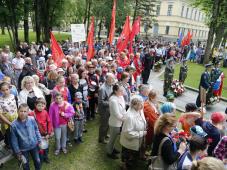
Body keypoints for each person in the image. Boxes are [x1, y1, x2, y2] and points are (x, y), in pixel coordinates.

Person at [11, 104, 42, 170]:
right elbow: (14, 140)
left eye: (25, 111)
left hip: (34, 145)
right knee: (25, 164)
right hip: (23, 148)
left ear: (28, 112)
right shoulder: (14, 125)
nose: (23, 113)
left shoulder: (32, 119)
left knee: (37, 160)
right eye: (21, 111)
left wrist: (39, 141)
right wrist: (17, 152)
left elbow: (36, 130)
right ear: (17, 111)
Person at [120, 97, 147, 169]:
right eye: (140, 104)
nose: (142, 106)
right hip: (130, 143)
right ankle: (126, 166)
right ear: (134, 105)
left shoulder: (139, 110)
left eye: (142, 104)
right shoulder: (130, 116)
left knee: (134, 159)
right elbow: (128, 133)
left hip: (136, 141)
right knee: (129, 159)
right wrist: (141, 133)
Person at [29, 98, 53, 164]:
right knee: (39, 147)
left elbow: (49, 122)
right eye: (39, 105)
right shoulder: (31, 114)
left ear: (45, 106)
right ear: (35, 105)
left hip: (45, 133)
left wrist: (48, 133)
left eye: (42, 106)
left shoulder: (45, 112)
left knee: (46, 146)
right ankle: (40, 158)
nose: (41, 107)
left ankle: (46, 157)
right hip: (36, 134)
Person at [106, 84, 126, 159]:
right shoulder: (113, 100)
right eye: (120, 90)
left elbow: (123, 109)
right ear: (115, 91)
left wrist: (125, 116)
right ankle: (109, 152)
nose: (122, 92)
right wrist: (125, 119)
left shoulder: (120, 97)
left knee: (114, 137)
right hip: (115, 123)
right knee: (112, 138)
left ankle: (112, 148)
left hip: (120, 121)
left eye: (122, 90)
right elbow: (116, 114)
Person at [98, 73, 115, 144]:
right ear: (107, 79)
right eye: (112, 78)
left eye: (113, 78)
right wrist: (111, 103)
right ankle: (101, 139)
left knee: (108, 123)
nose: (113, 80)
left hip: (109, 108)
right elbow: (101, 102)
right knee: (104, 124)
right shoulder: (102, 88)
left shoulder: (111, 85)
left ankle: (105, 135)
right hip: (104, 110)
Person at [0, 82, 18, 148]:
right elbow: (0, 114)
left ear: (9, 89)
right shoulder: (0, 100)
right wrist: (9, 123)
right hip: (7, 121)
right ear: (0, 90)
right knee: (9, 135)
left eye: (7, 89)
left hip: (15, 118)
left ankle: (16, 144)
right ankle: (10, 146)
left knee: (16, 133)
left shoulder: (13, 96)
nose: (5, 91)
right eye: (3, 90)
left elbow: (16, 106)